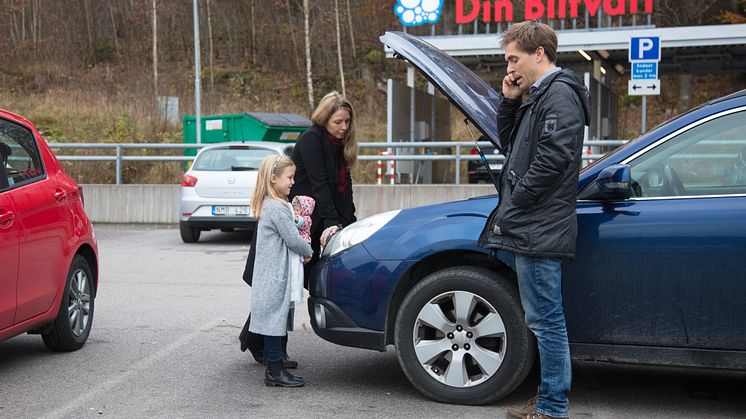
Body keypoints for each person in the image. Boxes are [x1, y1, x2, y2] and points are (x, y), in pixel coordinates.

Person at [482, 21, 590, 419]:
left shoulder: (559, 94)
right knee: (542, 317)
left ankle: (552, 407)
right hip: (533, 223)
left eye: (514, 58)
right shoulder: (537, 94)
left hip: (539, 224)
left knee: (546, 319)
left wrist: (516, 204)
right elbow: (510, 144)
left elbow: (554, 158)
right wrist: (509, 100)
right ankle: (548, 401)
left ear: (539, 53)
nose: (510, 67)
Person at [247, 154, 313, 387]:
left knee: (274, 320)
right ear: (274, 179)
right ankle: (274, 370)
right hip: (274, 275)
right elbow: (293, 239)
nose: (293, 182)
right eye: (289, 177)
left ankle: (276, 365)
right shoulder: (277, 207)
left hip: (270, 273)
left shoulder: (270, 204)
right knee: (274, 322)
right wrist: (309, 250)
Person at [290, 91, 357, 268]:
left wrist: (350, 222)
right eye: (338, 122)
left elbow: (345, 188)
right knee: (305, 275)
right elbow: (320, 184)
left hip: (324, 215)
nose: (344, 127)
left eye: (347, 121)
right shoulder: (311, 139)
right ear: (324, 119)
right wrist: (332, 223)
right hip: (306, 219)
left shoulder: (340, 143)